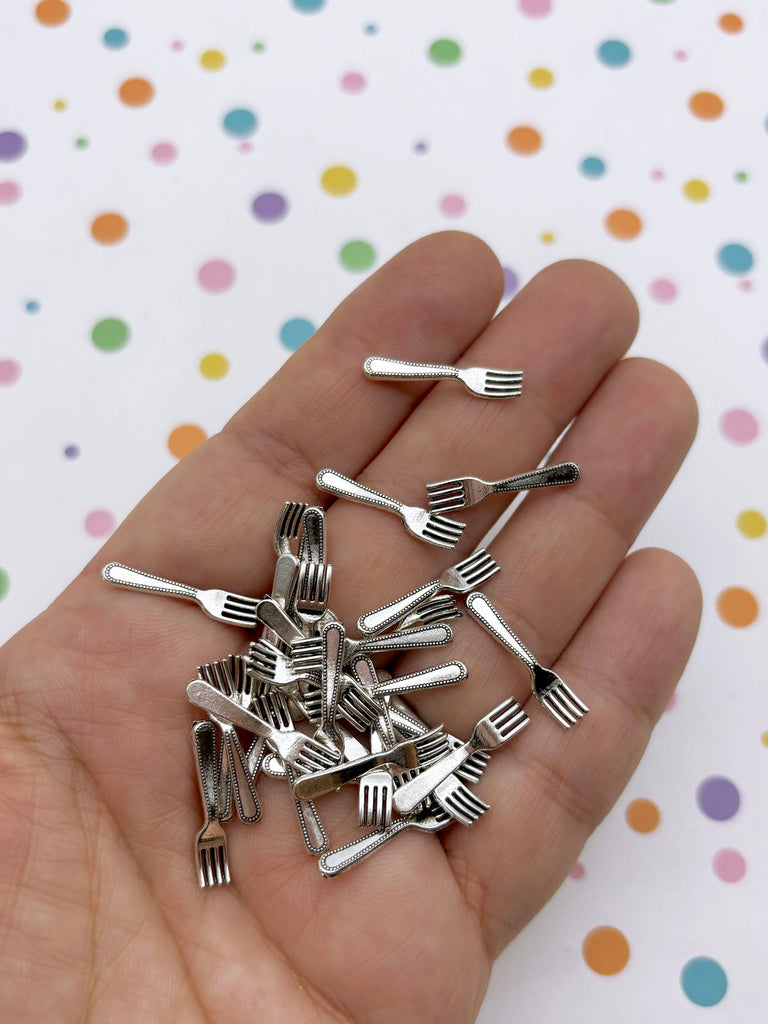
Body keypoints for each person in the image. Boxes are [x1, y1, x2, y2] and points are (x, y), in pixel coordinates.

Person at [0, 232, 701, 1023]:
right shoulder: (263, 725)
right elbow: (243, 704)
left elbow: (336, 700)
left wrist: (386, 734)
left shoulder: (351, 708)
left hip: (359, 726)